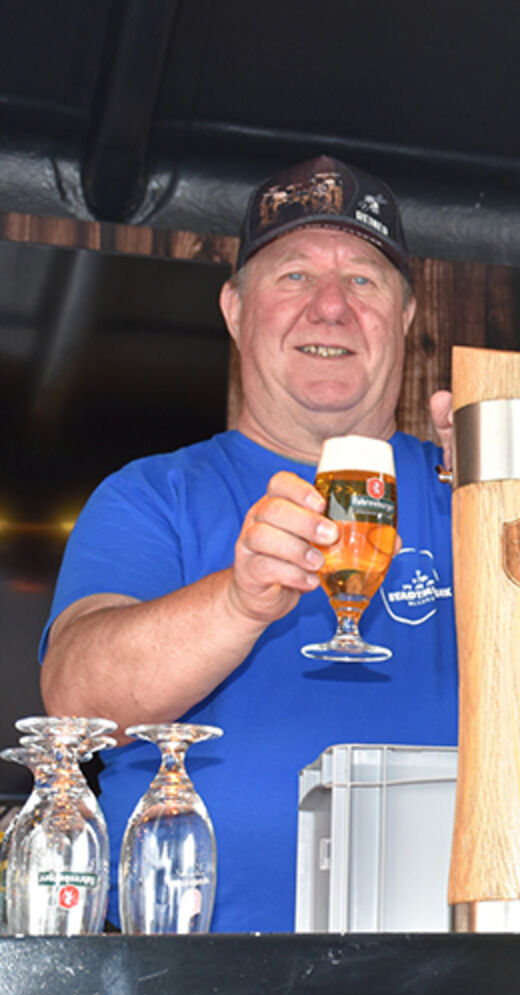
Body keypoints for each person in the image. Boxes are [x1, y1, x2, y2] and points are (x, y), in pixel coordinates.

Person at [38, 156, 461, 933]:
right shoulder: (152, 494)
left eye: (365, 281)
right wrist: (238, 601)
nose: (330, 308)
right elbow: (76, 697)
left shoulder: (459, 489)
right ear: (235, 312)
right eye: (294, 276)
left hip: (449, 981)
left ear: (404, 318)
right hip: (191, 990)